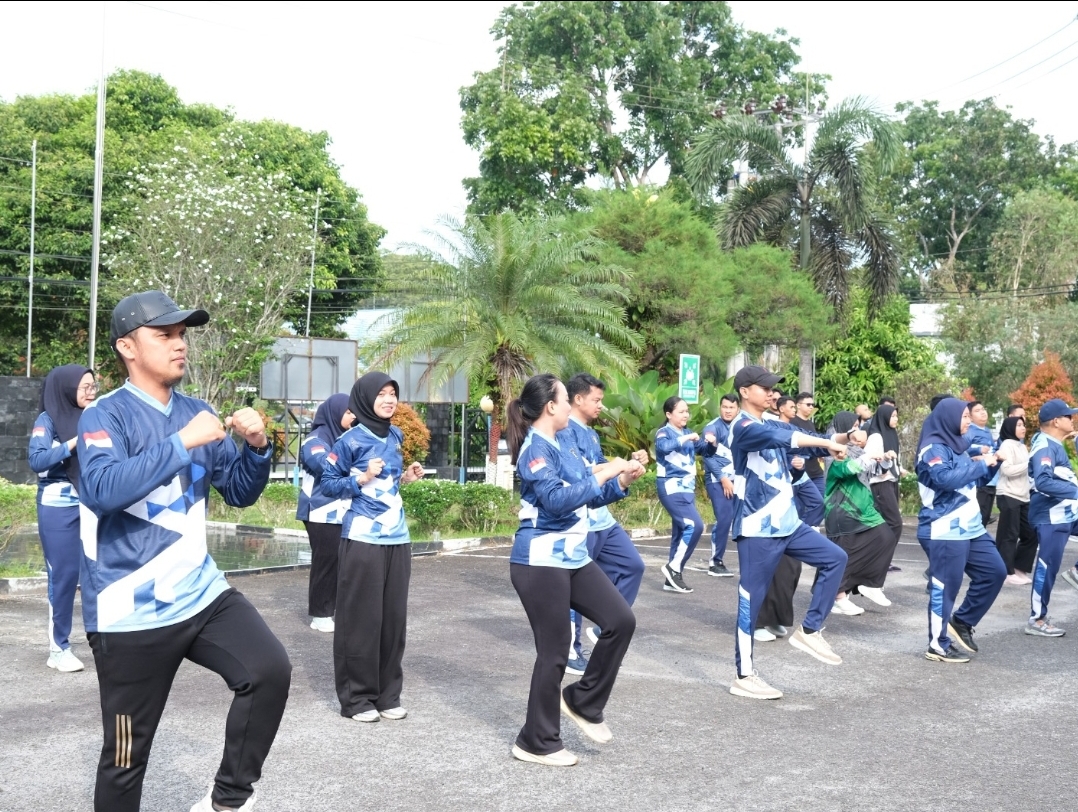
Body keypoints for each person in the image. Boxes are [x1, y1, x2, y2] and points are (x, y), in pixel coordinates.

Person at [77, 291, 290, 812]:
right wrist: (182, 443)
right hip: (130, 610)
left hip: (200, 592)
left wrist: (258, 448)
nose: (179, 345)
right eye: (164, 335)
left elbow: (238, 491)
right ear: (127, 347)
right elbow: (102, 489)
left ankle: (229, 801)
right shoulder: (105, 415)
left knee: (268, 671)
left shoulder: (199, 412)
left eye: (182, 335)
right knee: (126, 756)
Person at [505, 373, 642, 766]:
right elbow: (555, 501)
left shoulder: (562, 446)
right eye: (566, 400)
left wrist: (620, 482)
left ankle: (582, 701)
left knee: (621, 620)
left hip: (571, 558)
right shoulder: (535, 449)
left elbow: (587, 498)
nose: (570, 406)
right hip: (539, 561)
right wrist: (603, 472)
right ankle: (536, 741)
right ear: (550, 406)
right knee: (553, 654)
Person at [727, 366, 850, 701]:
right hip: (758, 528)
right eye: (764, 388)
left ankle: (810, 630)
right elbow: (787, 438)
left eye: (773, 389)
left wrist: (838, 441)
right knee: (750, 602)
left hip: (788, 523)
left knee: (835, 559)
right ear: (744, 392)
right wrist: (825, 441)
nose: (772, 393)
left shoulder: (770, 422)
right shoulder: (743, 427)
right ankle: (744, 674)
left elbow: (802, 447)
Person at [320, 372, 426, 722]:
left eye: (393, 393)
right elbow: (328, 484)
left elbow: (389, 485)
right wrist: (360, 478)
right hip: (363, 537)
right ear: (365, 398)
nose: (388, 400)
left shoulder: (395, 434)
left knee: (392, 620)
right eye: (381, 394)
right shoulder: (350, 440)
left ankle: (388, 695)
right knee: (361, 621)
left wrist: (406, 478)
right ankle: (357, 699)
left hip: (397, 537)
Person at [564, 373, 648, 670]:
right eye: (596, 400)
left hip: (602, 520)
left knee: (633, 567)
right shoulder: (563, 431)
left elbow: (601, 473)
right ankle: (571, 651)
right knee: (574, 591)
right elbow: (581, 474)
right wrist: (618, 467)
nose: (601, 405)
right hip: (581, 521)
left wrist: (626, 471)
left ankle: (604, 625)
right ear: (578, 399)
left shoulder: (590, 433)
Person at [915, 397, 1006, 663]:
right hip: (944, 527)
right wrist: (982, 463)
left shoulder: (958, 446)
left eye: (968, 416)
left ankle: (962, 621)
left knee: (995, 571)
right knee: (945, 589)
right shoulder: (933, 449)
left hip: (970, 526)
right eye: (965, 416)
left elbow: (975, 479)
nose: (969, 421)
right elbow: (944, 479)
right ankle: (938, 645)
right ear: (949, 419)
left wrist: (993, 463)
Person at [28, 363, 97, 673]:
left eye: (93, 386)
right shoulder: (48, 420)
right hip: (59, 507)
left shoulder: (97, 416)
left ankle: (108, 641)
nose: (91, 391)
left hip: (95, 503)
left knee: (100, 573)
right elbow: (37, 459)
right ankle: (58, 648)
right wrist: (72, 442)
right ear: (67, 389)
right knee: (65, 575)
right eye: (85, 387)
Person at [823, 411, 900, 615]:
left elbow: (874, 472)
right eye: (853, 427)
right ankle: (837, 596)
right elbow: (846, 469)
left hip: (863, 510)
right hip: (843, 511)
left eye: (858, 427)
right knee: (843, 555)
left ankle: (870, 584)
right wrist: (869, 458)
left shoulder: (857, 451)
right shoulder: (834, 450)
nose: (857, 432)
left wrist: (884, 460)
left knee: (885, 538)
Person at [296, 393, 353, 632]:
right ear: (335, 413)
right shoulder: (315, 440)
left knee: (343, 563)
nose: (354, 417)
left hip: (341, 512)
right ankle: (320, 613)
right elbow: (325, 466)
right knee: (326, 562)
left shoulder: (345, 439)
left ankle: (335, 610)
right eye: (349, 412)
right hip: (320, 512)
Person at [1025, 399, 1078, 636]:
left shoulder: (1053, 443)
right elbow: (1043, 481)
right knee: (1047, 568)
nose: (1072, 419)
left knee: (1050, 568)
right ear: (1056, 421)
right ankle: (1037, 619)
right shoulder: (1045, 445)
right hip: (1051, 518)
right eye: (1068, 416)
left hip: (1066, 513)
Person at [655, 396, 708, 593]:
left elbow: (704, 449)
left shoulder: (687, 433)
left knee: (680, 532)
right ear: (669, 414)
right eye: (681, 411)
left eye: (687, 411)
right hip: (671, 487)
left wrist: (710, 442)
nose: (686, 415)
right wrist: (687, 438)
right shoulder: (664, 433)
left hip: (687, 489)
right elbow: (663, 448)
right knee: (694, 526)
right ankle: (673, 568)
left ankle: (672, 579)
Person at [993, 416, 1036, 586]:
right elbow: (1007, 470)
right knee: (1008, 535)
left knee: (1030, 534)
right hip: (1008, 494)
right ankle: (1006, 571)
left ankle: (1019, 568)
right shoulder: (1006, 445)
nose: (1023, 428)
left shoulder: (1022, 446)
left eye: (1023, 425)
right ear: (1010, 428)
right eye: (1019, 425)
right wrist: (1028, 463)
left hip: (1024, 496)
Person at [701, 393, 740, 578]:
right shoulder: (713, 427)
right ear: (720, 408)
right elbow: (707, 456)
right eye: (725, 407)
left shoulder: (740, 424)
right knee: (724, 519)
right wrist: (723, 478)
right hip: (718, 480)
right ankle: (715, 562)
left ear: (737, 409)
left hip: (739, 480)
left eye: (731, 407)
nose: (728, 410)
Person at [865, 403, 904, 570]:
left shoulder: (890, 434)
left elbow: (893, 458)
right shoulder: (876, 437)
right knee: (894, 523)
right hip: (880, 484)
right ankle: (880, 559)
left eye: (896, 416)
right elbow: (868, 460)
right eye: (893, 416)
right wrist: (884, 459)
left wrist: (899, 469)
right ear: (885, 417)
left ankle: (881, 559)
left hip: (890, 482)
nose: (896, 419)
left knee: (885, 523)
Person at [967, 401, 998, 527]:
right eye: (977, 410)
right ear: (969, 416)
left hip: (991, 480)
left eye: (983, 408)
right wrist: (978, 450)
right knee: (978, 520)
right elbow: (962, 450)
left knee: (984, 518)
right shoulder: (969, 430)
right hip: (978, 480)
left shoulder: (987, 431)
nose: (982, 412)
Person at [790, 393, 825, 498]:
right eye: (808, 404)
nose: (811, 407)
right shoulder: (792, 422)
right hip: (802, 471)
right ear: (798, 405)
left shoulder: (810, 423)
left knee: (821, 503)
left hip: (816, 471)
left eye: (812, 405)